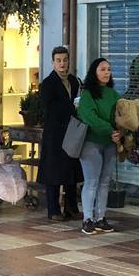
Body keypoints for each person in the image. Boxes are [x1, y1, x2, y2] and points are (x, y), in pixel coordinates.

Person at [76, 58, 123, 235]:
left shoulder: (113, 94)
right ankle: (87, 219)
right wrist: (110, 130)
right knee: (92, 181)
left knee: (105, 182)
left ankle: (100, 217)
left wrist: (120, 132)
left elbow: (121, 114)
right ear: (94, 72)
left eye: (109, 69)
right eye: (102, 69)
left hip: (110, 143)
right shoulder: (87, 94)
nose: (106, 72)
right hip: (91, 143)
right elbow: (89, 117)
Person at [39, 46, 83, 222]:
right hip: (55, 133)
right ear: (53, 63)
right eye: (59, 60)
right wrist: (72, 107)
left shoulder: (74, 80)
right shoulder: (48, 83)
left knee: (71, 169)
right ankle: (53, 209)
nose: (62, 63)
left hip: (72, 131)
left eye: (65, 60)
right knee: (54, 172)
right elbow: (49, 108)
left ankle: (71, 207)